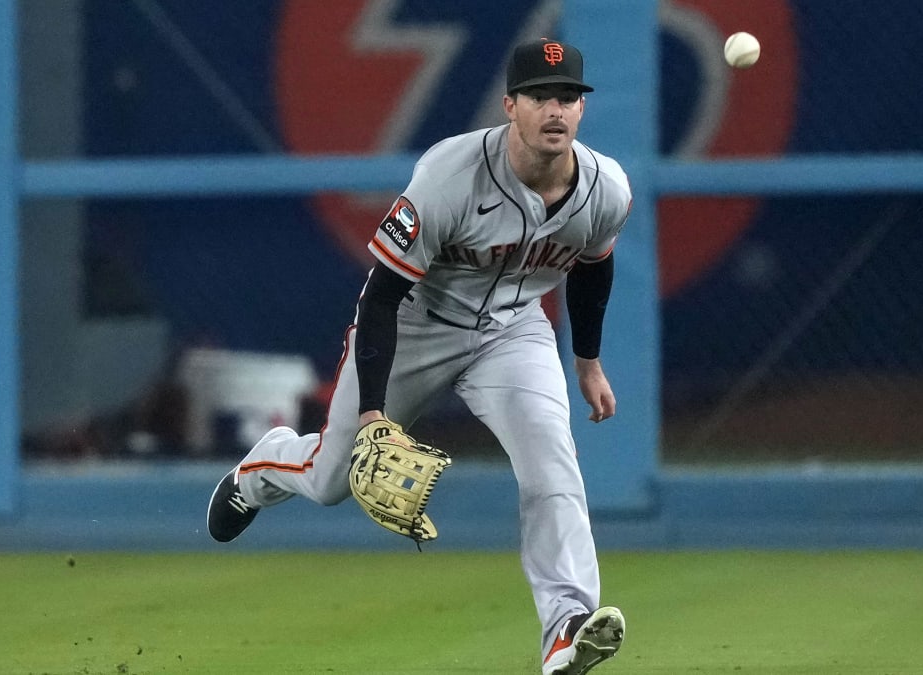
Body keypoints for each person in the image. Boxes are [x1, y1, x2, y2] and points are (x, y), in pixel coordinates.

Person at [207, 38, 631, 675]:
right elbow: (381, 298)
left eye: (568, 97)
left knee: (551, 463)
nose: (556, 110)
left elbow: (595, 269)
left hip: (514, 333)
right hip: (416, 324)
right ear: (509, 105)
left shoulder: (606, 189)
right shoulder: (450, 176)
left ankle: (566, 627)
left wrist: (588, 362)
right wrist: (374, 415)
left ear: (580, 110)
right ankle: (262, 469)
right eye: (541, 96)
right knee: (329, 482)